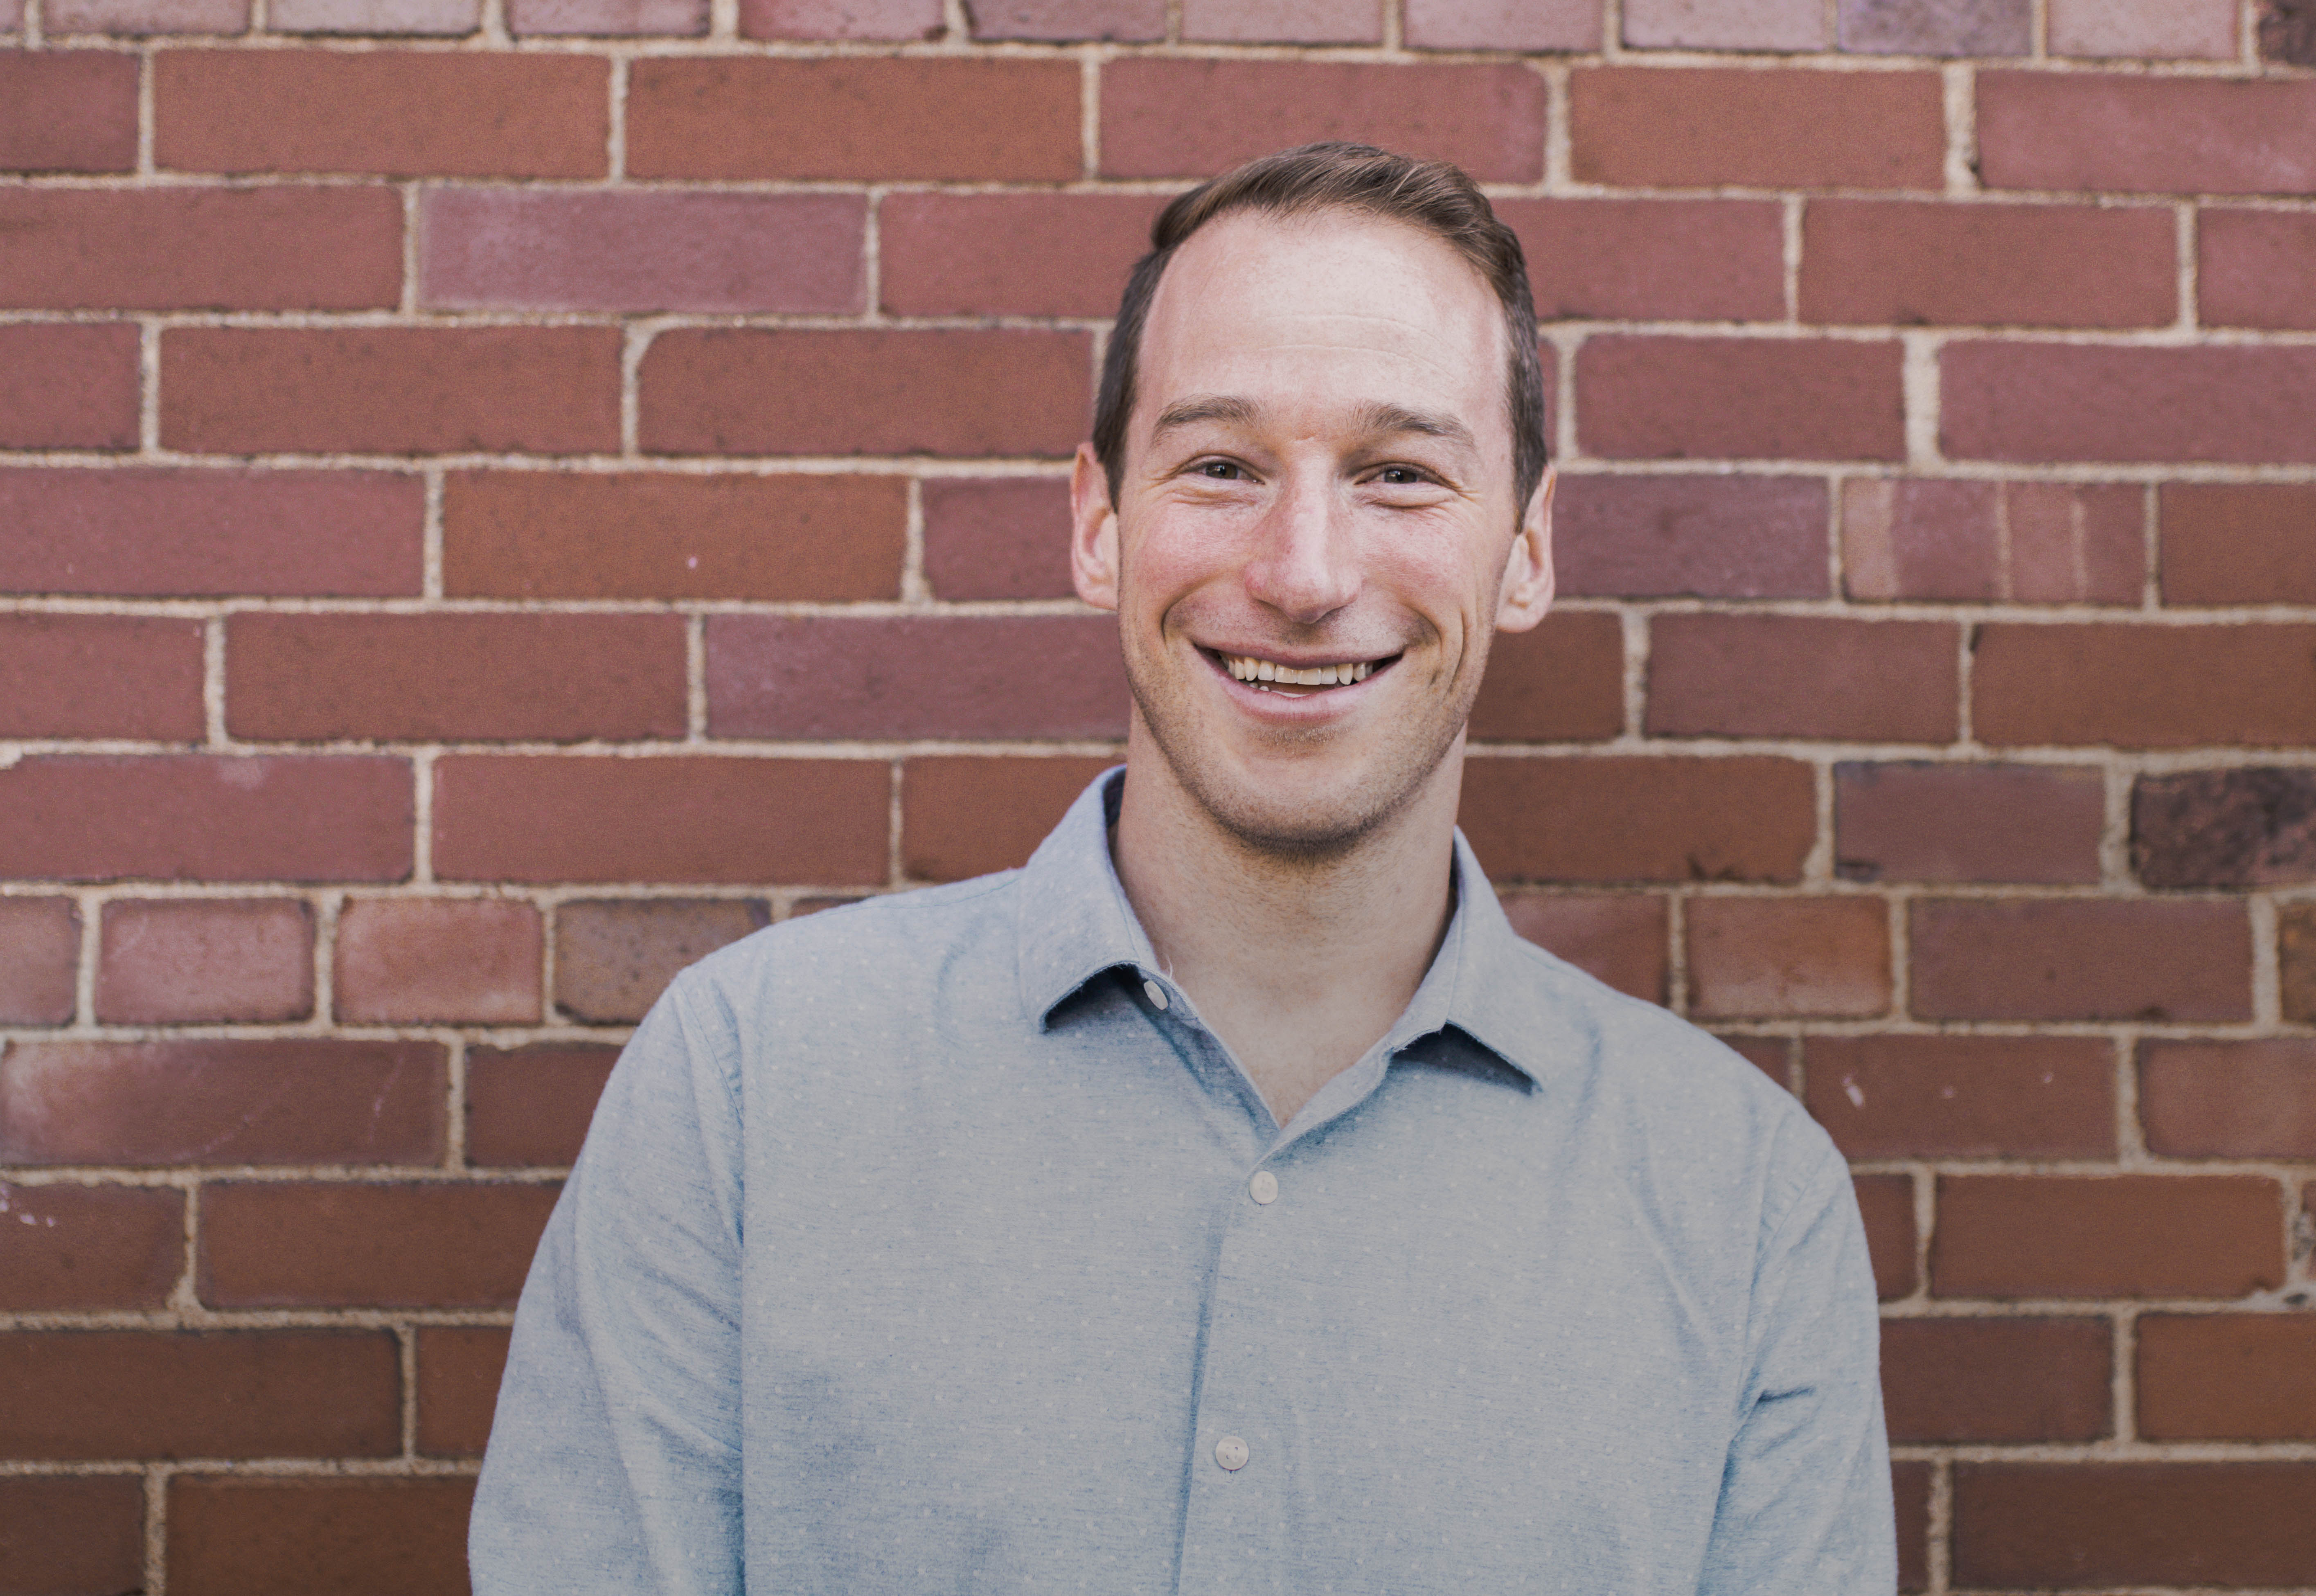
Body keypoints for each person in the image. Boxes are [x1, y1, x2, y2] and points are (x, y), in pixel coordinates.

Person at [471, 141, 1892, 1594]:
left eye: (1400, 474)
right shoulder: (746, 1091)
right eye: (1221, 466)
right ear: (1098, 522)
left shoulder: (1742, 1204)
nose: (1303, 572)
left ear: (1524, 551)